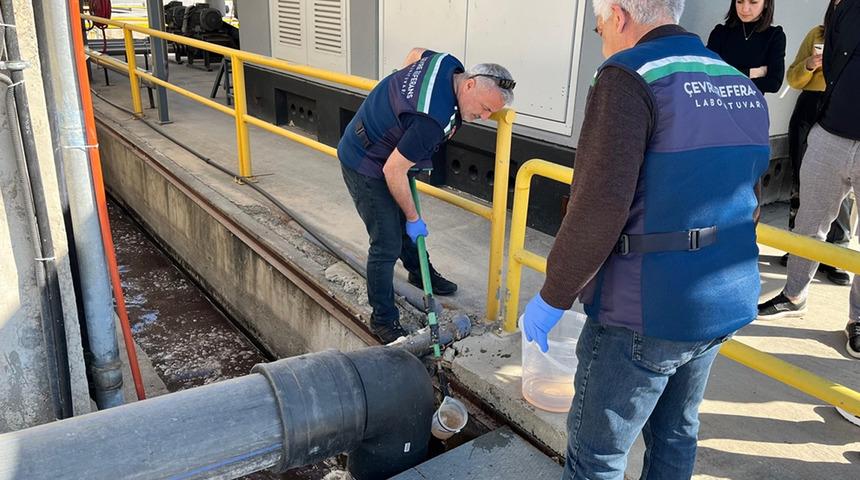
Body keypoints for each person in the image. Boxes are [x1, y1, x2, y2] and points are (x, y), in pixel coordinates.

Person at [521, 0, 770, 477]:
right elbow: (752, 197)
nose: (604, 42)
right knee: (677, 434)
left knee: (598, 453)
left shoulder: (629, 76)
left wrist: (554, 296)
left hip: (644, 312)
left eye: (599, 30)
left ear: (618, 15)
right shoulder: (738, 83)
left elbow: (597, 206)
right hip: (723, 299)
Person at [338, 48, 514, 343]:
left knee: (401, 224)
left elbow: (414, 53)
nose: (484, 117)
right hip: (366, 161)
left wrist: (400, 112)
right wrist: (413, 217)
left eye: (490, 113)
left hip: (388, 151)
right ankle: (382, 319)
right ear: (469, 84)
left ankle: (420, 273)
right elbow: (393, 172)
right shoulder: (432, 120)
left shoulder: (448, 63)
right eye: (484, 107)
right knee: (387, 241)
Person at [758, 0, 860, 358]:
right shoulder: (843, 7)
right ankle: (794, 293)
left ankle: (859, 319)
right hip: (830, 133)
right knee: (809, 222)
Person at [782, 6, 852, 285]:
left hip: (842, 112)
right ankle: (797, 249)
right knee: (804, 179)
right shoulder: (817, 34)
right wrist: (811, 64)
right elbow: (793, 78)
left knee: (843, 192)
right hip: (810, 108)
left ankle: (836, 256)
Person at [707, 0, 786, 94]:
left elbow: (773, 84)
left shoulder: (774, 35)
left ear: (766, 3)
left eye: (753, 2)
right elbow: (708, 75)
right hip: (715, 103)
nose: (744, 9)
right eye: (739, 2)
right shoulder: (720, 32)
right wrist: (750, 73)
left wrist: (726, 77)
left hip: (749, 106)